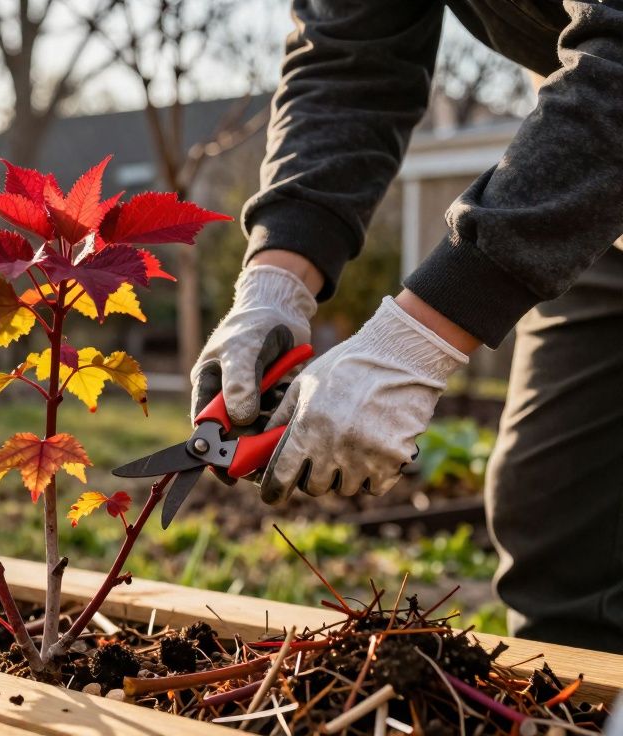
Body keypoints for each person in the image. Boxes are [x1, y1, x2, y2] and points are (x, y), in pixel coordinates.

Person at [192, 0, 623, 652]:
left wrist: (417, 340)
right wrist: (275, 278)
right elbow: (349, 59)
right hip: (599, 211)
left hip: (598, 161)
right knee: (557, 535)